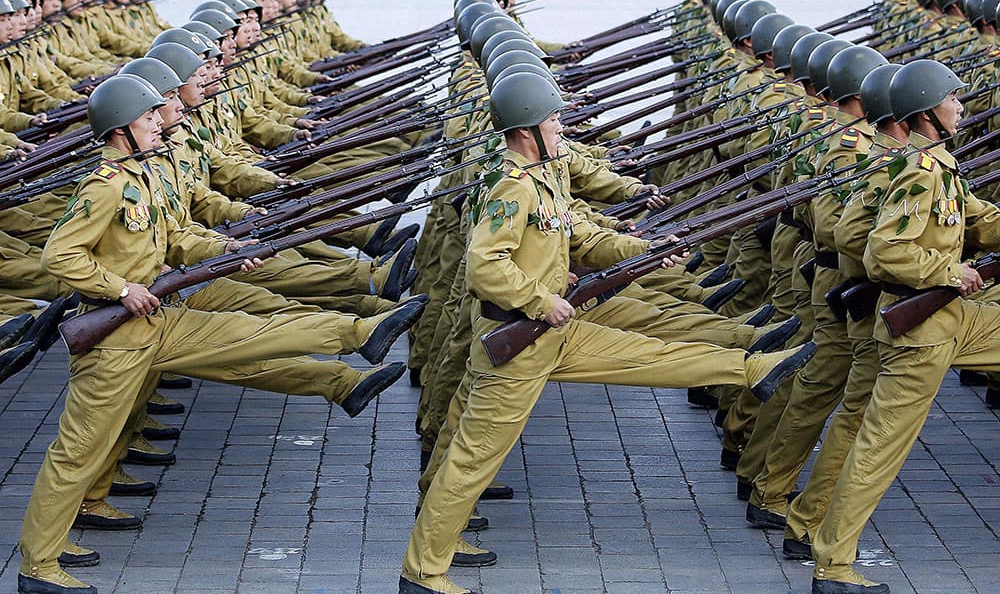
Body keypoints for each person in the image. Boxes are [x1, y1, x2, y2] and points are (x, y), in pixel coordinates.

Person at [398, 70, 816, 594]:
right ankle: (423, 570)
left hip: (551, 334)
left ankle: (754, 367)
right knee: (471, 459)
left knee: (652, 355)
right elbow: (485, 266)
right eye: (553, 119)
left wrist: (648, 251)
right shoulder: (511, 186)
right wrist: (539, 298)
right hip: (521, 343)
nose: (560, 126)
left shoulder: (542, 178)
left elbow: (584, 236)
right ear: (527, 128)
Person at [16, 75, 425, 594]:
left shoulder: (142, 177)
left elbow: (178, 236)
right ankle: (38, 567)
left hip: (158, 321)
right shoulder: (105, 186)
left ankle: (358, 330)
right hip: (115, 339)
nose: (158, 124)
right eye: (147, 119)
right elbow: (60, 255)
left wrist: (229, 252)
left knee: (251, 334)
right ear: (121, 131)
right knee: (76, 453)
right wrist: (119, 288)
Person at [809, 60, 1000, 594]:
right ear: (927, 112)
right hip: (921, 332)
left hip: (949, 322)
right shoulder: (920, 172)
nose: (961, 106)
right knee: (879, 447)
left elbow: (977, 219)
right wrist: (950, 271)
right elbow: (884, 249)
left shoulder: (938, 165)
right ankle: (833, 564)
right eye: (952, 100)